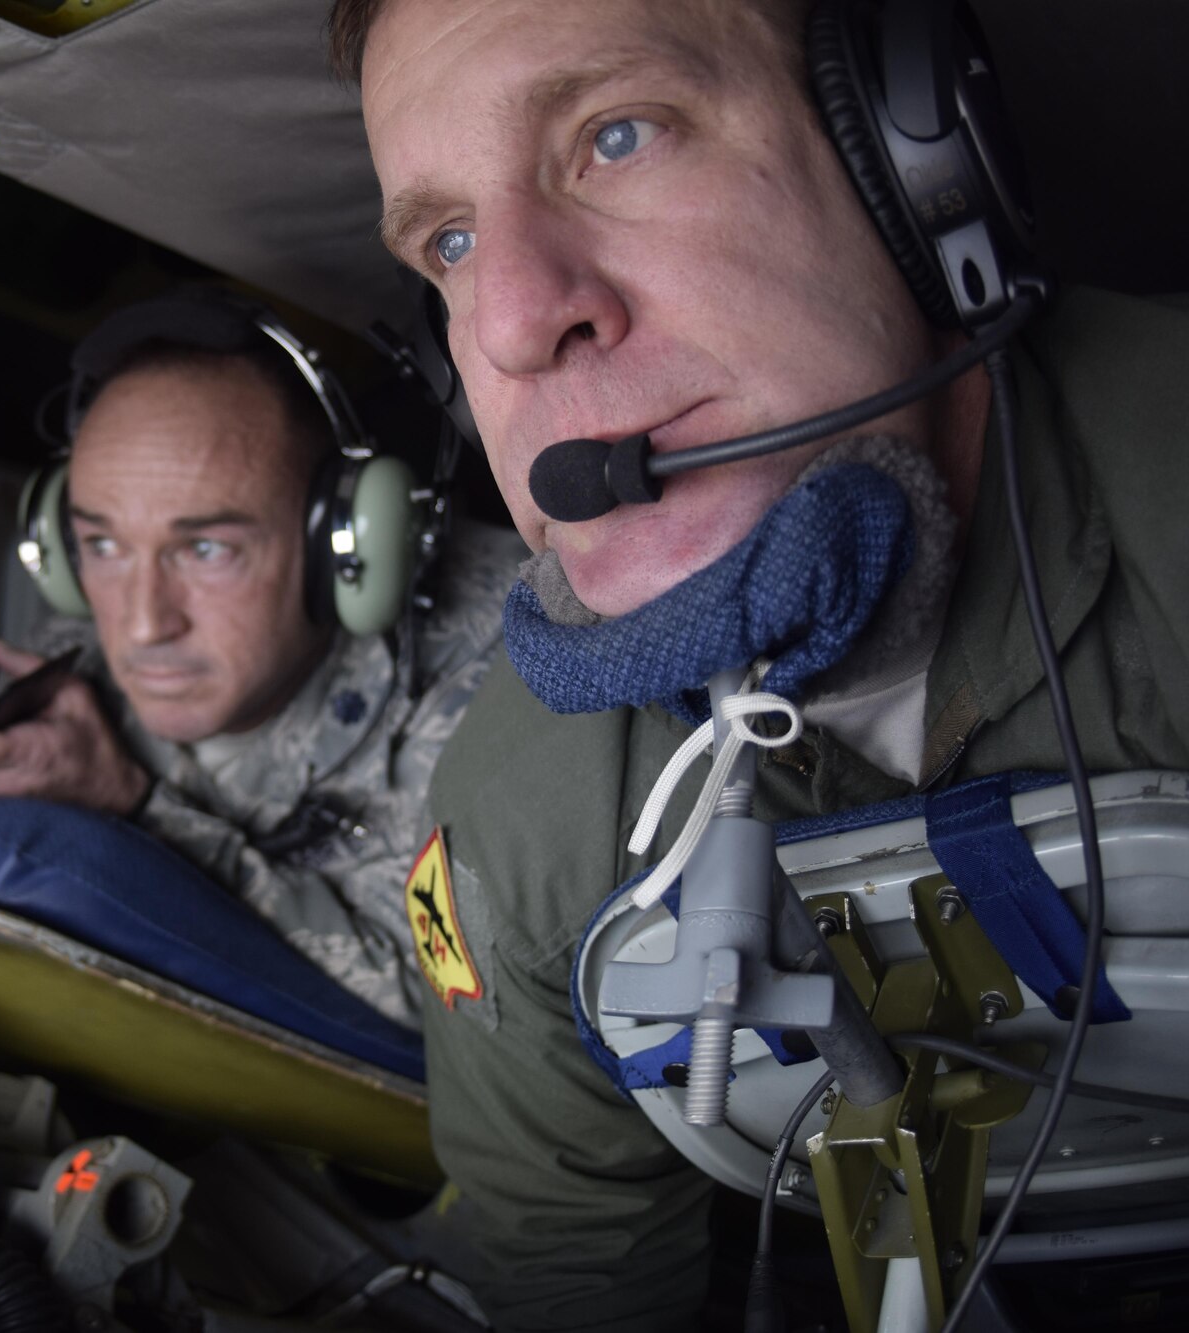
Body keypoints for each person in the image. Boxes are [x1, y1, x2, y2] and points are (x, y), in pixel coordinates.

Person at [332, 0, 1189, 1325]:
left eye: (618, 135)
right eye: (450, 241)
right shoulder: (520, 824)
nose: (509, 321)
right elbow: (579, 1278)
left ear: (913, 162)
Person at [0, 297, 524, 1031]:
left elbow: (459, 1022)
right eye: (101, 546)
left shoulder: (502, 665)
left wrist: (126, 809)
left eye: (206, 549)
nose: (140, 623)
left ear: (345, 545)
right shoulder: (74, 650)